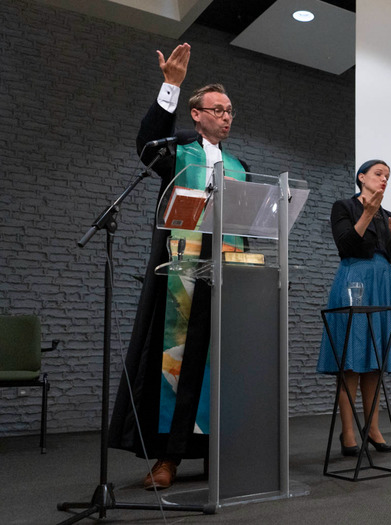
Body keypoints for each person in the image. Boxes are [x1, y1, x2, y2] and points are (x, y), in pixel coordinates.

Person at [109, 43, 249, 490]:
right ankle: (168, 459)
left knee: (220, 365)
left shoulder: (242, 167)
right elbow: (146, 145)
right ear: (196, 114)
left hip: (228, 275)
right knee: (178, 364)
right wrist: (170, 84)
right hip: (183, 275)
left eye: (230, 111)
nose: (226, 117)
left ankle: (223, 454)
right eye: (218, 110)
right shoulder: (178, 153)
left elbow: (251, 223)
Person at [317, 160, 391, 456]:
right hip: (354, 282)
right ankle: (348, 433)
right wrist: (368, 213)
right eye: (378, 174)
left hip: (383, 284)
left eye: (388, 176)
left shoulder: (386, 215)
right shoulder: (343, 206)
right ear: (361, 178)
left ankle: (372, 428)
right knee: (350, 361)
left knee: (374, 363)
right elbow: (347, 245)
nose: (384, 179)